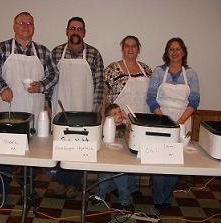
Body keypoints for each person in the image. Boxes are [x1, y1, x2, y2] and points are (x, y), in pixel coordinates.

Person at [0, 12, 59, 202]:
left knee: (32, 149)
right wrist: (2, 88)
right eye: (22, 23)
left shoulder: (43, 51)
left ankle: (28, 185)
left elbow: (54, 74)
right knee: (5, 150)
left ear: (34, 27)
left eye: (30, 23)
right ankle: (2, 186)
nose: (26, 26)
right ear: (14, 26)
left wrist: (41, 86)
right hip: (8, 110)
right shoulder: (2, 48)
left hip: (33, 111)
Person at [50, 16, 104, 198]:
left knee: (80, 144)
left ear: (84, 33)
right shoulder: (56, 52)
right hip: (61, 106)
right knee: (62, 144)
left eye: (79, 29)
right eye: (72, 28)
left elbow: (98, 83)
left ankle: (75, 183)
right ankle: (61, 181)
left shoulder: (94, 54)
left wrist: (96, 110)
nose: (75, 32)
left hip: (84, 107)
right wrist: (46, 105)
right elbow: (49, 81)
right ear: (66, 31)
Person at [147, 37, 200, 209]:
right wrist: (164, 119)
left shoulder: (191, 74)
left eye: (178, 49)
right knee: (159, 159)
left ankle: (167, 198)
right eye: (171, 49)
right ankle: (157, 199)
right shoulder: (158, 72)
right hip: (161, 118)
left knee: (175, 160)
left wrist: (180, 121)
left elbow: (194, 101)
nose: (175, 52)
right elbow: (151, 99)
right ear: (167, 52)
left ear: (183, 52)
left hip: (183, 120)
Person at [100, 35, 152, 208]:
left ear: (138, 49)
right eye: (127, 46)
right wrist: (102, 120)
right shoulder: (112, 69)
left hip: (138, 122)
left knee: (132, 157)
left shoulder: (146, 69)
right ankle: (119, 192)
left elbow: (151, 97)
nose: (130, 49)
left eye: (134, 46)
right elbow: (104, 96)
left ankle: (128, 187)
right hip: (117, 122)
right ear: (123, 49)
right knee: (117, 157)